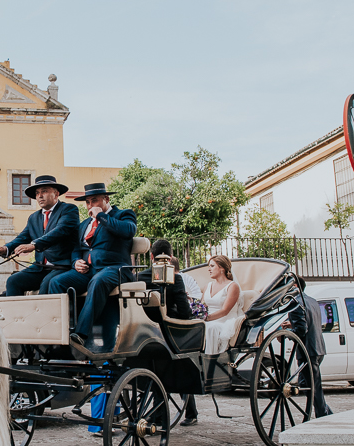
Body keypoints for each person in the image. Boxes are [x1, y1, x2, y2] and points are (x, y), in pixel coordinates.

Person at [47, 182, 137, 352]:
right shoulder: (83, 225)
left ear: (106, 199)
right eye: (88, 202)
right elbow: (76, 249)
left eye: (94, 201)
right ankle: (60, 332)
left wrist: (101, 216)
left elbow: (128, 231)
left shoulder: (123, 215)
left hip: (115, 269)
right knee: (56, 282)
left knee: (98, 280)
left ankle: (81, 333)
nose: (90, 206)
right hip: (89, 271)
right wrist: (75, 262)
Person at [136, 239, 198, 426]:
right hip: (169, 333)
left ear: (151, 256)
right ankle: (189, 412)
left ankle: (170, 413)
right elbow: (185, 312)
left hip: (142, 333)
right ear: (170, 258)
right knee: (182, 363)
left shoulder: (138, 278)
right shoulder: (176, 279)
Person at [0, 175, 79, 296]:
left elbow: (60, 231)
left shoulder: (69, 210)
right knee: (13, 281)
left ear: (56, 193)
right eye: (37, 193)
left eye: (44, 191)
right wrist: (6, 249)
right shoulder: (34, 217)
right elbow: (22, 237)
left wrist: (34, 245)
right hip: (40, 267)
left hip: (62, 266)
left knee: (46, 284)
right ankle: (16, 314)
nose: (40, 196)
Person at [288, 276, 332, 417]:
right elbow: (311, 321)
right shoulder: (312, 301)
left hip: (307, 349)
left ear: (294, 286)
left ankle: (323, 415)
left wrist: (287, 333)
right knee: (307, 385)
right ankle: (326, 412)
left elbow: (301, 330)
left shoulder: (294, 302)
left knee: (313, 387)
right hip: (318, 347)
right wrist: (292, 324)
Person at [200, 255, 243, 357]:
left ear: (222, 268)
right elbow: (201, 306)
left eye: (212, 266)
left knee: (211, 328)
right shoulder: (208, 286)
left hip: (224, 321)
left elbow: (225, 310)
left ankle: (211, 360)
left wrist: (207, 318)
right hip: (208, 319)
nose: (209, 269)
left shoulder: (232, 286)